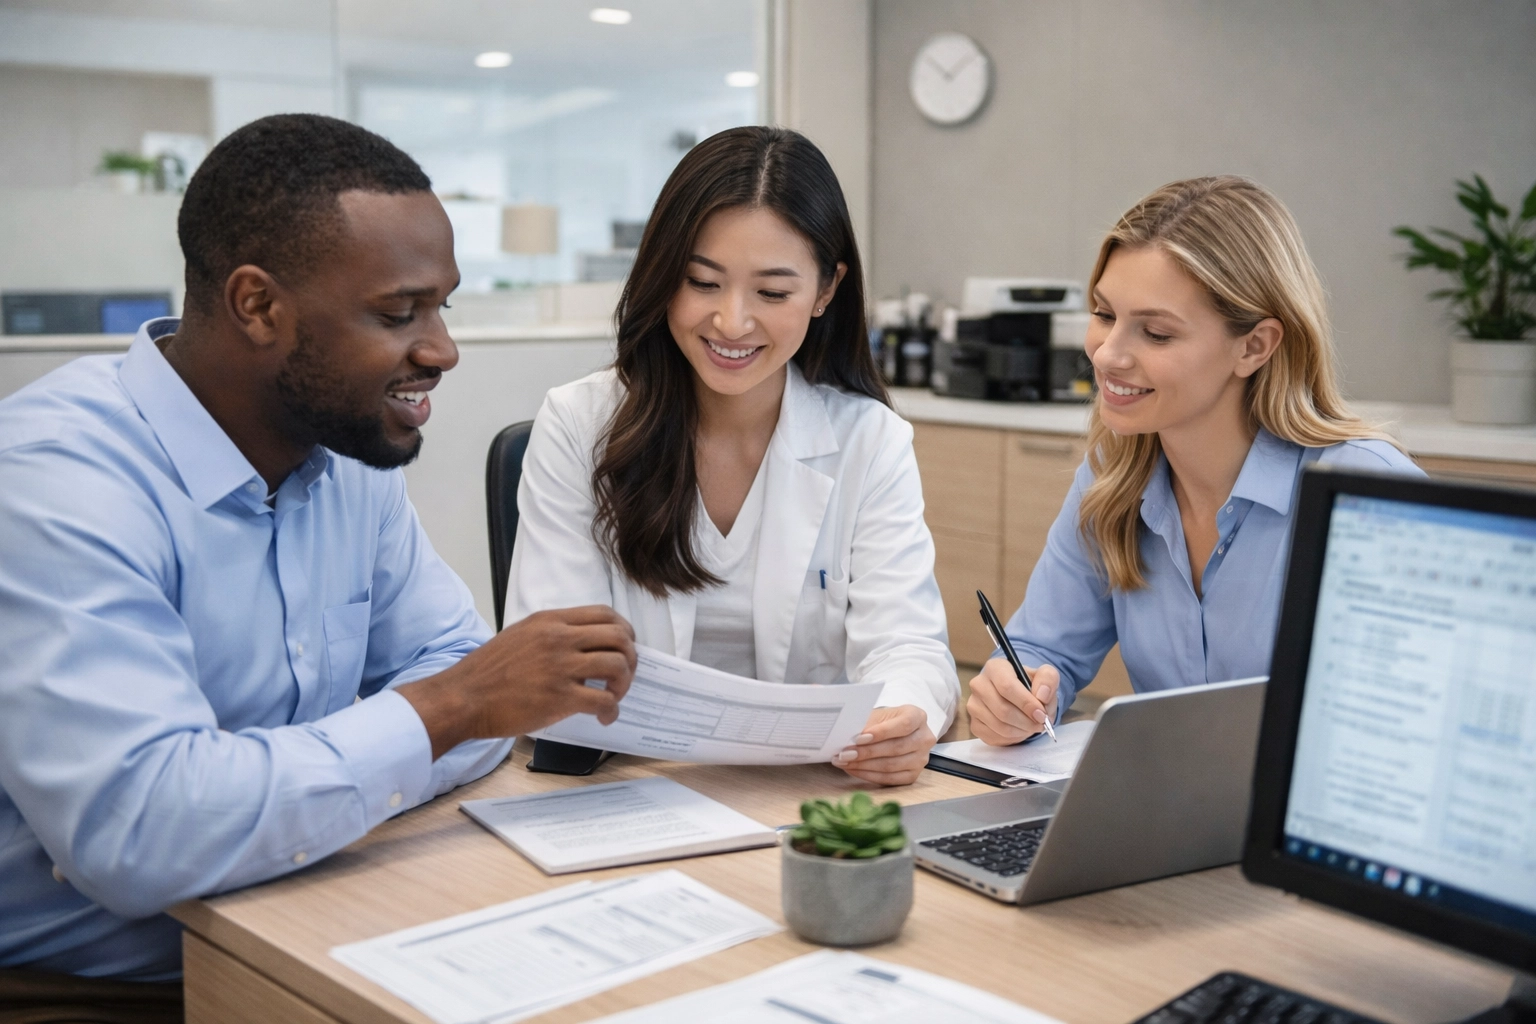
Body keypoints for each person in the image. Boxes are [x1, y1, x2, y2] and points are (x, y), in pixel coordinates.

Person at [0, 114, 637, 1007]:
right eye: (398, 312)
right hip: (85, 985)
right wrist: (440, 714)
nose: (443, 350)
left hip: (317, 913)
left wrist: (262, 792)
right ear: (258, 306)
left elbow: (468, 695)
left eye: (443, 305)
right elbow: (143, 837)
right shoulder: (55, 482)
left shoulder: (342, 456)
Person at [508, 126, 957, 785]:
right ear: (663, 276)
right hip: (627, 787)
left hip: (808, 793)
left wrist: (902, 718)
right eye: (702, 282)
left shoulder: (871, 441)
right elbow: (551, 661)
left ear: (827, 290)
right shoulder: (579, 423)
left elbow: (908, 646)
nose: (732, 323)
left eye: (773, 293)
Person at [968, 175, 1423, 746]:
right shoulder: (1113, 479)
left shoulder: (1370, 494)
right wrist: (1012, 698)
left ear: (1254, 346)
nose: (1107, 355)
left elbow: (1424, 724)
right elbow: (1043, 653)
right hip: (1176, 816)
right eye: (1104, 315)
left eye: (1156, 334)